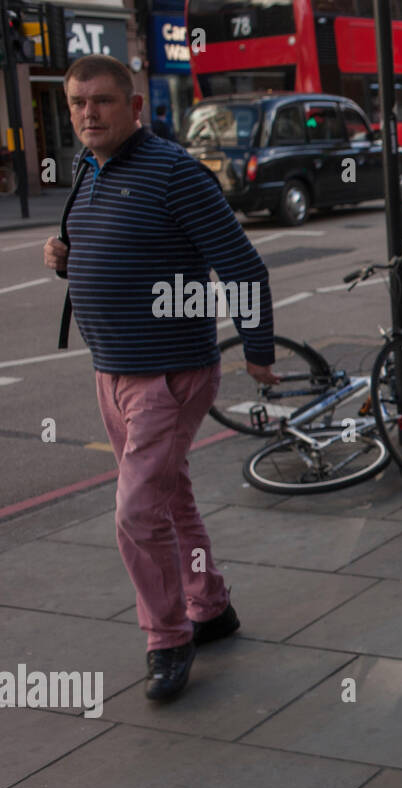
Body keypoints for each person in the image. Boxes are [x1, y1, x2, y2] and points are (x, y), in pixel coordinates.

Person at [42, 55, 276, 701]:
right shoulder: (89, 170)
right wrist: (64, 258)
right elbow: (111, 251)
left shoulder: (175, 173)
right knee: (169, 499)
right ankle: (211, 606)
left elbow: (243, 268)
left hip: (169, 374)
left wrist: (257, 350)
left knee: (136, 513)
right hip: (111, 368)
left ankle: (167, 638)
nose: (89, 113)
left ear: (135, 106)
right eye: (77, 103)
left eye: (103, 101)